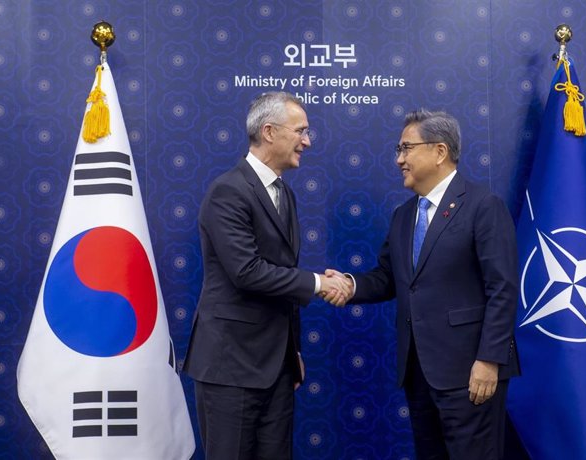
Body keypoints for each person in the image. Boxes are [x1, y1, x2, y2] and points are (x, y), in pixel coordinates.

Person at [325, 109, 520, 459]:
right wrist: (350, 285)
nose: (399, 159)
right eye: (399, 150)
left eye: (406, 148)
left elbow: (502, 288)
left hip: (470, 373)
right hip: (419, 375)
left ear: (440, 151)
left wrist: (490, 360)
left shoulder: (482, 206)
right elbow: (388, 277)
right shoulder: (404, 215)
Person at [183, 91, 350, 460]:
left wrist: (293, 351)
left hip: (276, 368)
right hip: (231, 366)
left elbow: (283, 276)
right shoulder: (228, 191)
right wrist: (320, 284)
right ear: (270, 131)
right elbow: (247, 272)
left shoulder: (284, 194)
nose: (307, 141)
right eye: (301, 131)